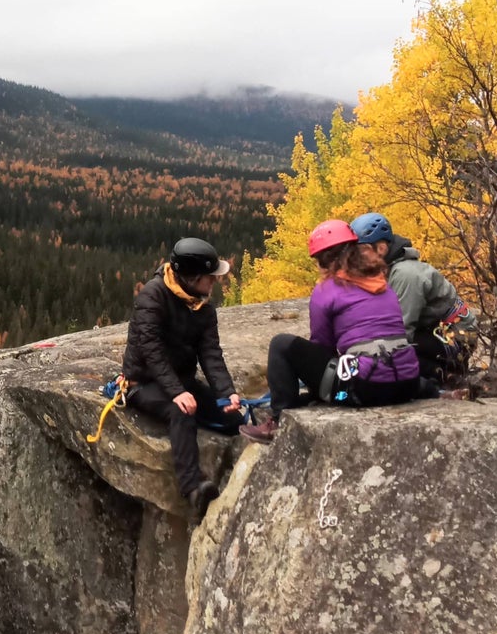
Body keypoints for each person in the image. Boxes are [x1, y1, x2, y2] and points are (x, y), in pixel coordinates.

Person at [122, 236, 243, 519]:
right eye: (210, 278)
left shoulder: (202, 306)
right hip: (143, 384)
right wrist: (177, 392)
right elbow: (152, 353)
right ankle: (193, 488)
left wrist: (227, 392)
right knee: (181, 412)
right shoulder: (152, 297)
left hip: (180, 383)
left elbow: (211, 354)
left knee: (234, 420)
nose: (214, 282)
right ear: (192, 277)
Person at [264, 219, 426, 421]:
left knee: (281, 344)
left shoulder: (326, 290)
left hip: (364, 389)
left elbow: (323, 347)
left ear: (323, 260)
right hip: (409, 385)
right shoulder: (381, 280)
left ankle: (278, 420)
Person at [349, 212, 473, 381]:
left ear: (382, 248)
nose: (356, 257)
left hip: (456, 339)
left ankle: (442, 375)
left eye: (361, 250)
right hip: (437, 333)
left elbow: (401, 330)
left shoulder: (405, 275)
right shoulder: (387, 269)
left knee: (394, 353)